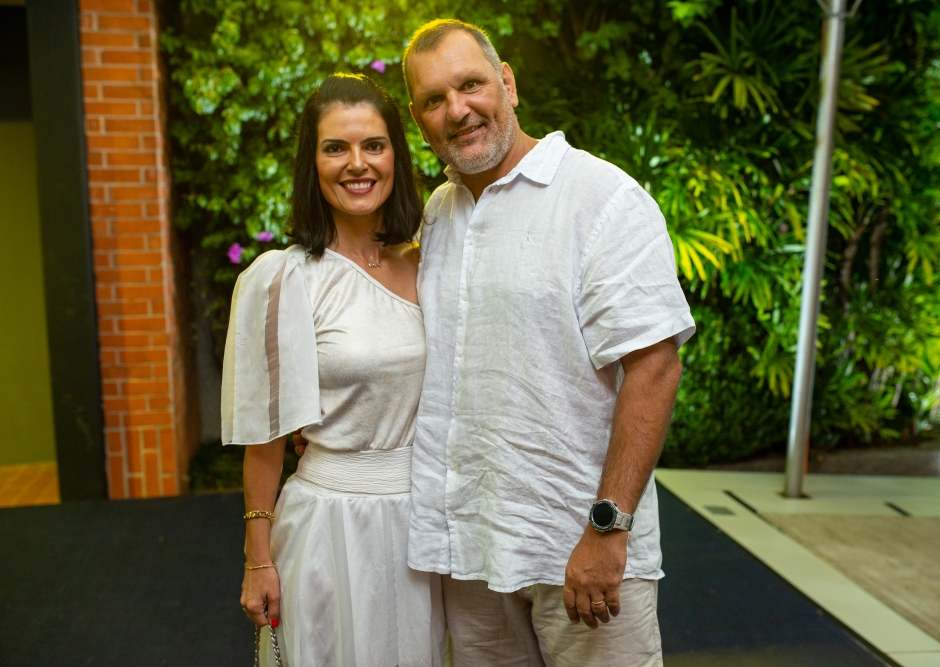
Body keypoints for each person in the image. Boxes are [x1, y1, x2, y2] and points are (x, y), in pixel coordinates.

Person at [402, 19, 695, 667]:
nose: (458, 109)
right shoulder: (438, 215)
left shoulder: (600, 197)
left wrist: (607, 529)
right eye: (433, 99)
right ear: (419, 121)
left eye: (471, 84)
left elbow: (655, 367)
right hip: (470, 552)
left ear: (507, 84)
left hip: (579, 548)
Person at [224, 73, 446, 667]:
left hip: (428, 526)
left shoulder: (434, 262)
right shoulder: (285, 279)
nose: (357, 164)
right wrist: (257, 558)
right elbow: (265, 442)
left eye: (373, 145)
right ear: (312, 163)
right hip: (330, 525)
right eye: (335, 148)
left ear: (396, 156)